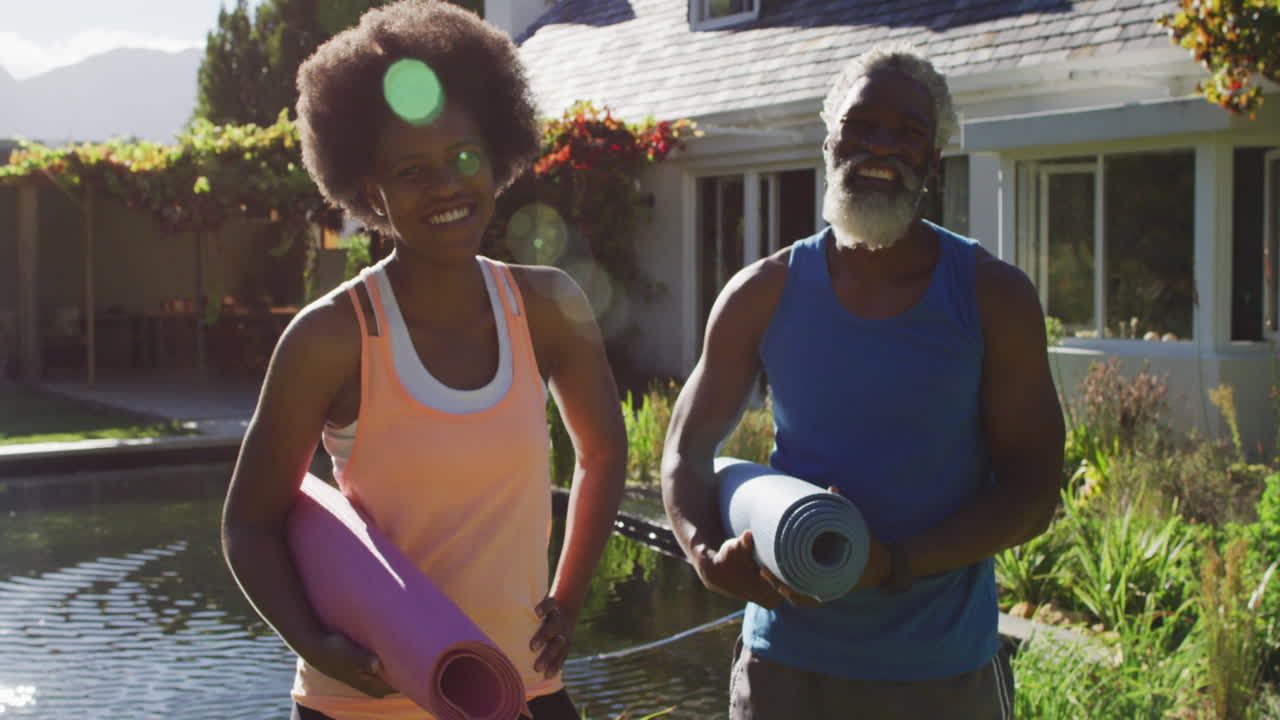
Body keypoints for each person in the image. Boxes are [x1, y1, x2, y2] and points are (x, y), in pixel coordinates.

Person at [220, 2, 627, 718]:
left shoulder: (546, 306)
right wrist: (315, 644)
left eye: (463, 157)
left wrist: (568, 597)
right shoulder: (331, 337)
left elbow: (602, 452)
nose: (445, 185)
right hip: (366, 699)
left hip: (518, 686)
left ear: (497, 156)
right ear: (368, 188)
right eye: (411, 170)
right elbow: (249, 524)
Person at [661, 44, 1065, 719]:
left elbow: (1033, 493)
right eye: (862, 124)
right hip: (785, 667)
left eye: (909, 132)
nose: (882, 146)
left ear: (933, 160)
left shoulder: (993, 297)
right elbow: (685, 449)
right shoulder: (762, 291)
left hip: (940, 674)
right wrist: (704, 552)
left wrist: (895, 563)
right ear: (830, 141)